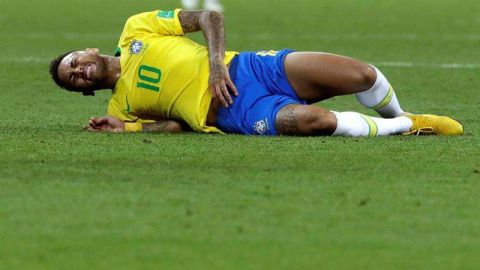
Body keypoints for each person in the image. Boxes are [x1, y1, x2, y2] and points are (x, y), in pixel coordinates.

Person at [49, 9, 463, 137]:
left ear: (88, 51)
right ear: (83, 92)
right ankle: (411, 126)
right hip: (234, 110)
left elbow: (207, 17)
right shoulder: (121, 106)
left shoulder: (136, 27)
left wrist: (215, 65)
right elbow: (175, 126)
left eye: (74, 63)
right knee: (310, 121)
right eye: (74, 80)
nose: (80, 72)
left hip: (249, 66)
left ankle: (399, 114)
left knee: (362, 75)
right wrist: (127, 130)